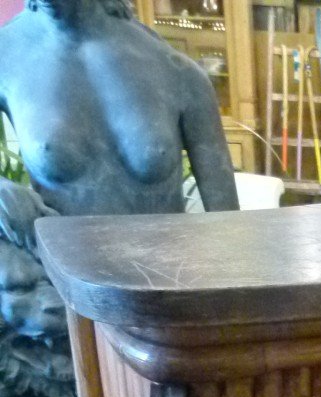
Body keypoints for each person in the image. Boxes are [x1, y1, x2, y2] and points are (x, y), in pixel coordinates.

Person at [0, 0, 239, 255]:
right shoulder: (6, 55)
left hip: (166, 279)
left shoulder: (174, 69)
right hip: (61, 282)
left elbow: (230, 225)